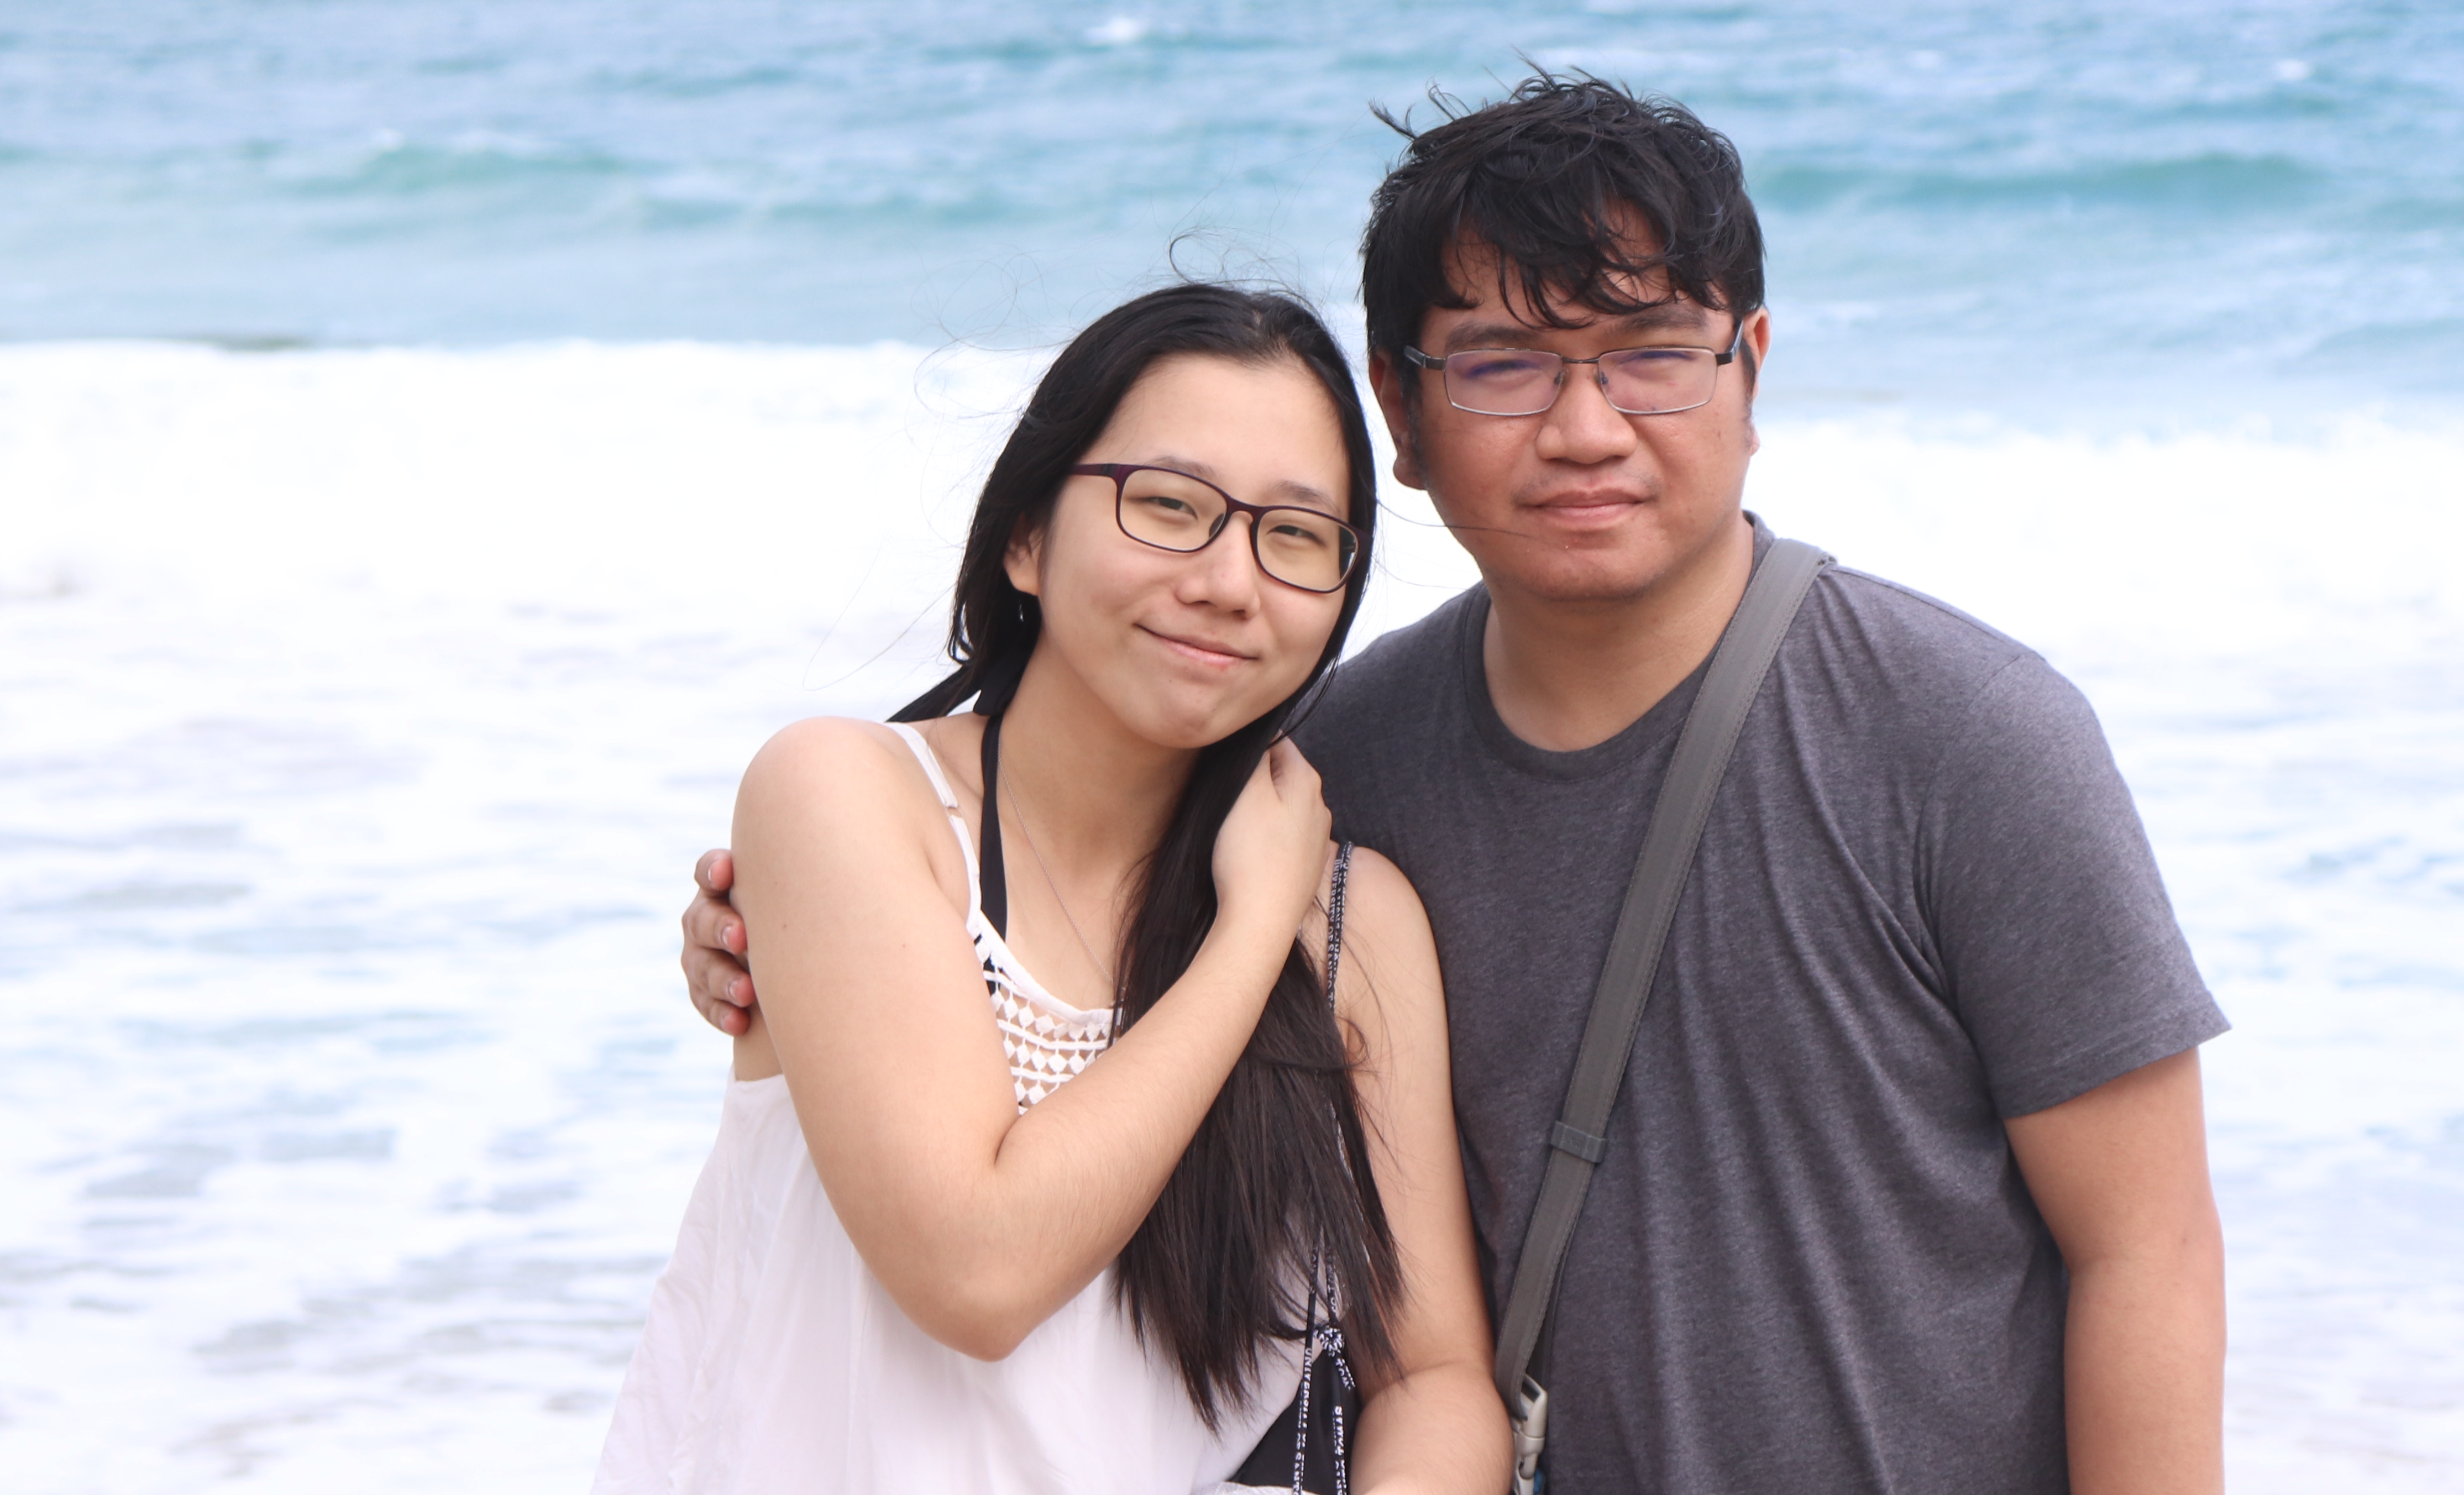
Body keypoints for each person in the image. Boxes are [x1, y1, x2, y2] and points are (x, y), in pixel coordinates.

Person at [684, 81, 2229, 1494]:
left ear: (1750, 372)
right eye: (1503, 363)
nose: (1586, 427)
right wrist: (793, 951)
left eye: (1653, 354)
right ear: (1406, 413)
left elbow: (2148, 1249)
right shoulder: (1335, 770)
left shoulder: (1967, 737)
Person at [604, 284, 1508, 1493]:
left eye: (1296, 534)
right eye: (1170, 505)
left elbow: (1433, 1377)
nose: (1230, 581)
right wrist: (1250, 933)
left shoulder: (1352, 922)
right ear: (1026, 534)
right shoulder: (850, 797)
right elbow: (977, 1273)